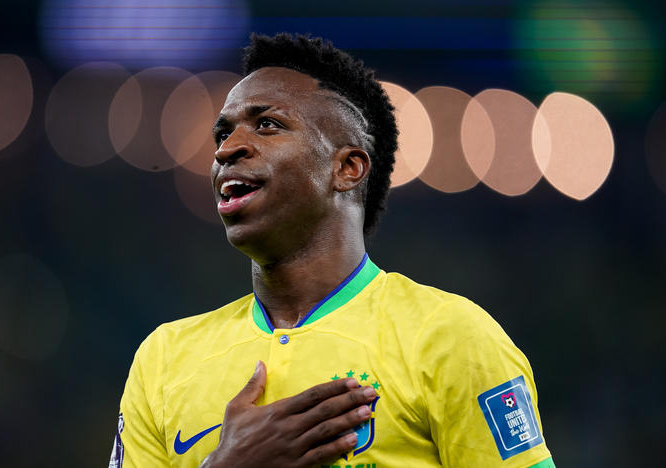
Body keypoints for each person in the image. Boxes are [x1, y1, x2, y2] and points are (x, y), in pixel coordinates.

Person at [110, 33, 555, 468]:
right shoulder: (164, 359)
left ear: (346, 168)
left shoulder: (449, 337)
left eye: (267, 124)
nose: (227, 149)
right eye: (222, 133)